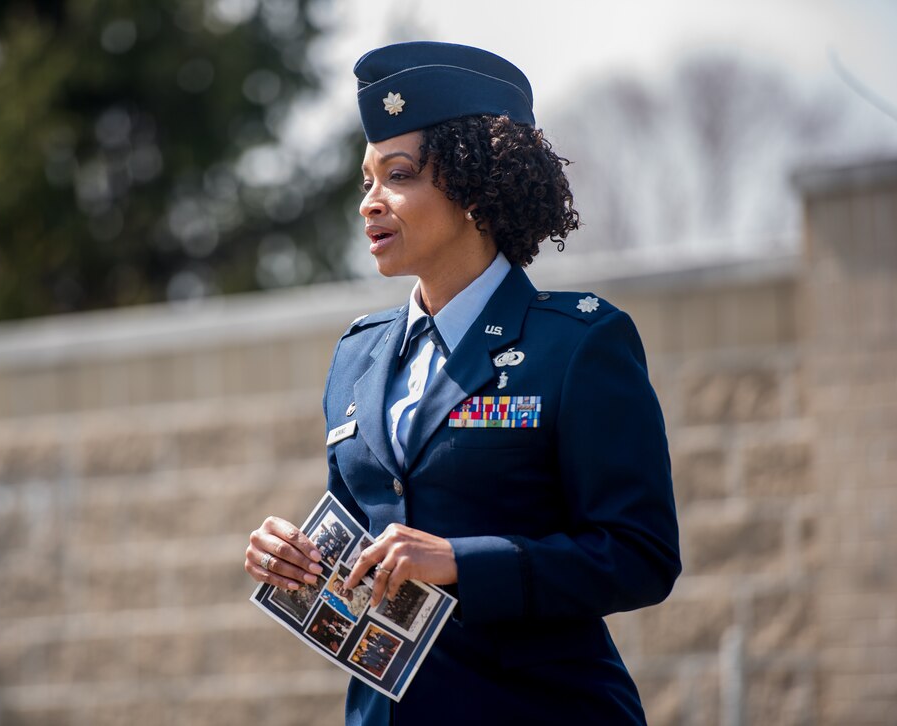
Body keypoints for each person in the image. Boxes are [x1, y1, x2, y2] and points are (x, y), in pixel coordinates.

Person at [245, 41, 681, 724]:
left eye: (398, 175)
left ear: (478, 189)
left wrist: (461, 562)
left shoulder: (578, 345)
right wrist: (298, 563)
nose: (371, 203)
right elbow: (366, 556)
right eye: (367, 180)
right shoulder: (356, 359)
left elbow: (641, 556)